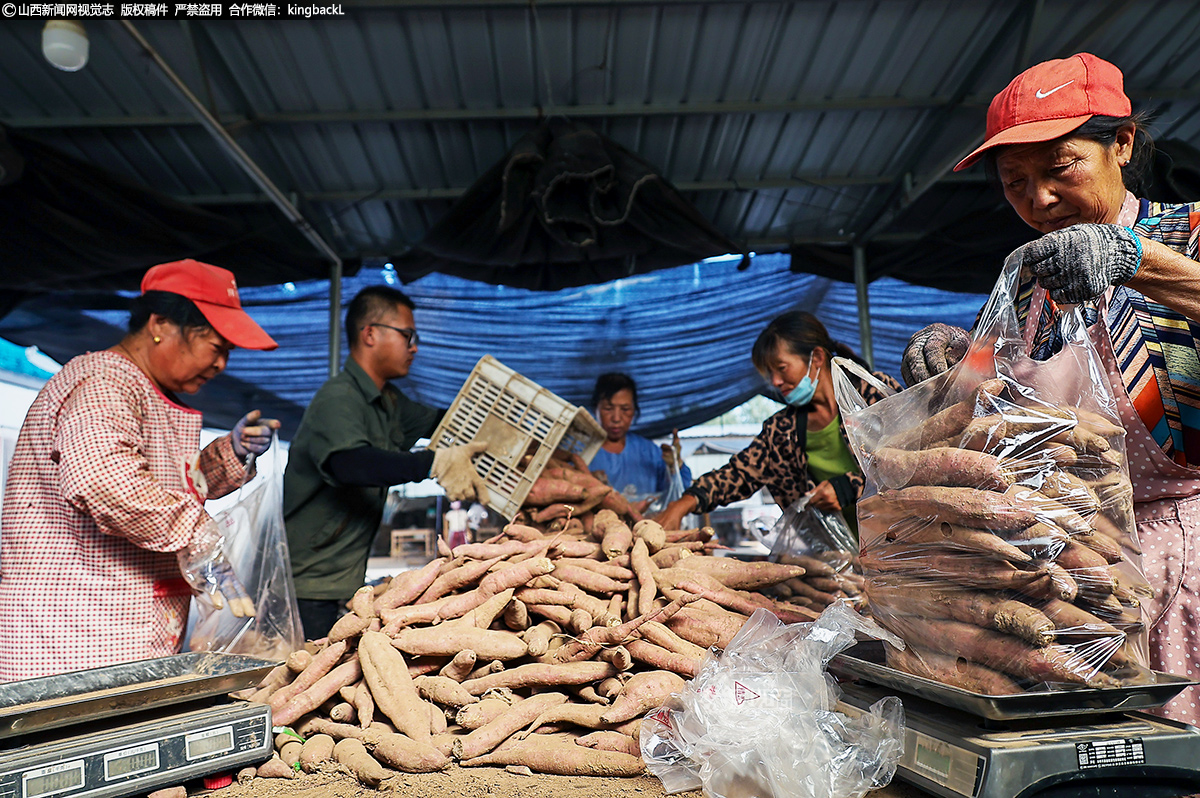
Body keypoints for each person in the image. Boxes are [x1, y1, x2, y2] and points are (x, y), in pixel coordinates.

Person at [901, 53, 1200, 725]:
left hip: (1187, 558)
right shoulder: (1030, 283)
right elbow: (996, 383)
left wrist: (1134, 259)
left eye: (1061, 168)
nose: (1038, 200)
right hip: (1077, 574)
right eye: (1015, 183)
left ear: (1122, 143)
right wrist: (954, 355)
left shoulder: (1189, 234)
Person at [0, 259, 280, 681]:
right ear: (161, 324)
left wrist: (230, 453)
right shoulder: (104, 383)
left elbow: (167, 483)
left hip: (120, 622)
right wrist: (200, 534)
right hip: (76, 632)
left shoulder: (141, 389)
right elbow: (106, 482)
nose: (222, 363)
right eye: (215, 345)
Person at [284, 286, 487, 640]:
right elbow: (352, 464)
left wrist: (510, 434)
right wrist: (434, 462)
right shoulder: (339, 398)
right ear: (370, 334)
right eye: (408, 335)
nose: (415, 346)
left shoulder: (389, 402)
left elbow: (449, 422)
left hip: (343, 579)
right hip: (309, 587)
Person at [656, 311, 899, 535]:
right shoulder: (781, 432)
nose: (775, 381)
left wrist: (851, 487)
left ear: (816, 357)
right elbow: (739, 473)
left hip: (906, 541)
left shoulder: (873, 395)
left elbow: (917, 456)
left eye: (781, 368)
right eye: (769, 373)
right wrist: (683, 504)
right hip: (843, 560)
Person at [589, 373, 692, 509]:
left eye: (625, 409)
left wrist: (675, 466)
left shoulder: (649, 452)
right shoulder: (580, 450)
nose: (616, 418)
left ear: (634, 411)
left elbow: (679, 492)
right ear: (595, 409)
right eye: (608, 409)